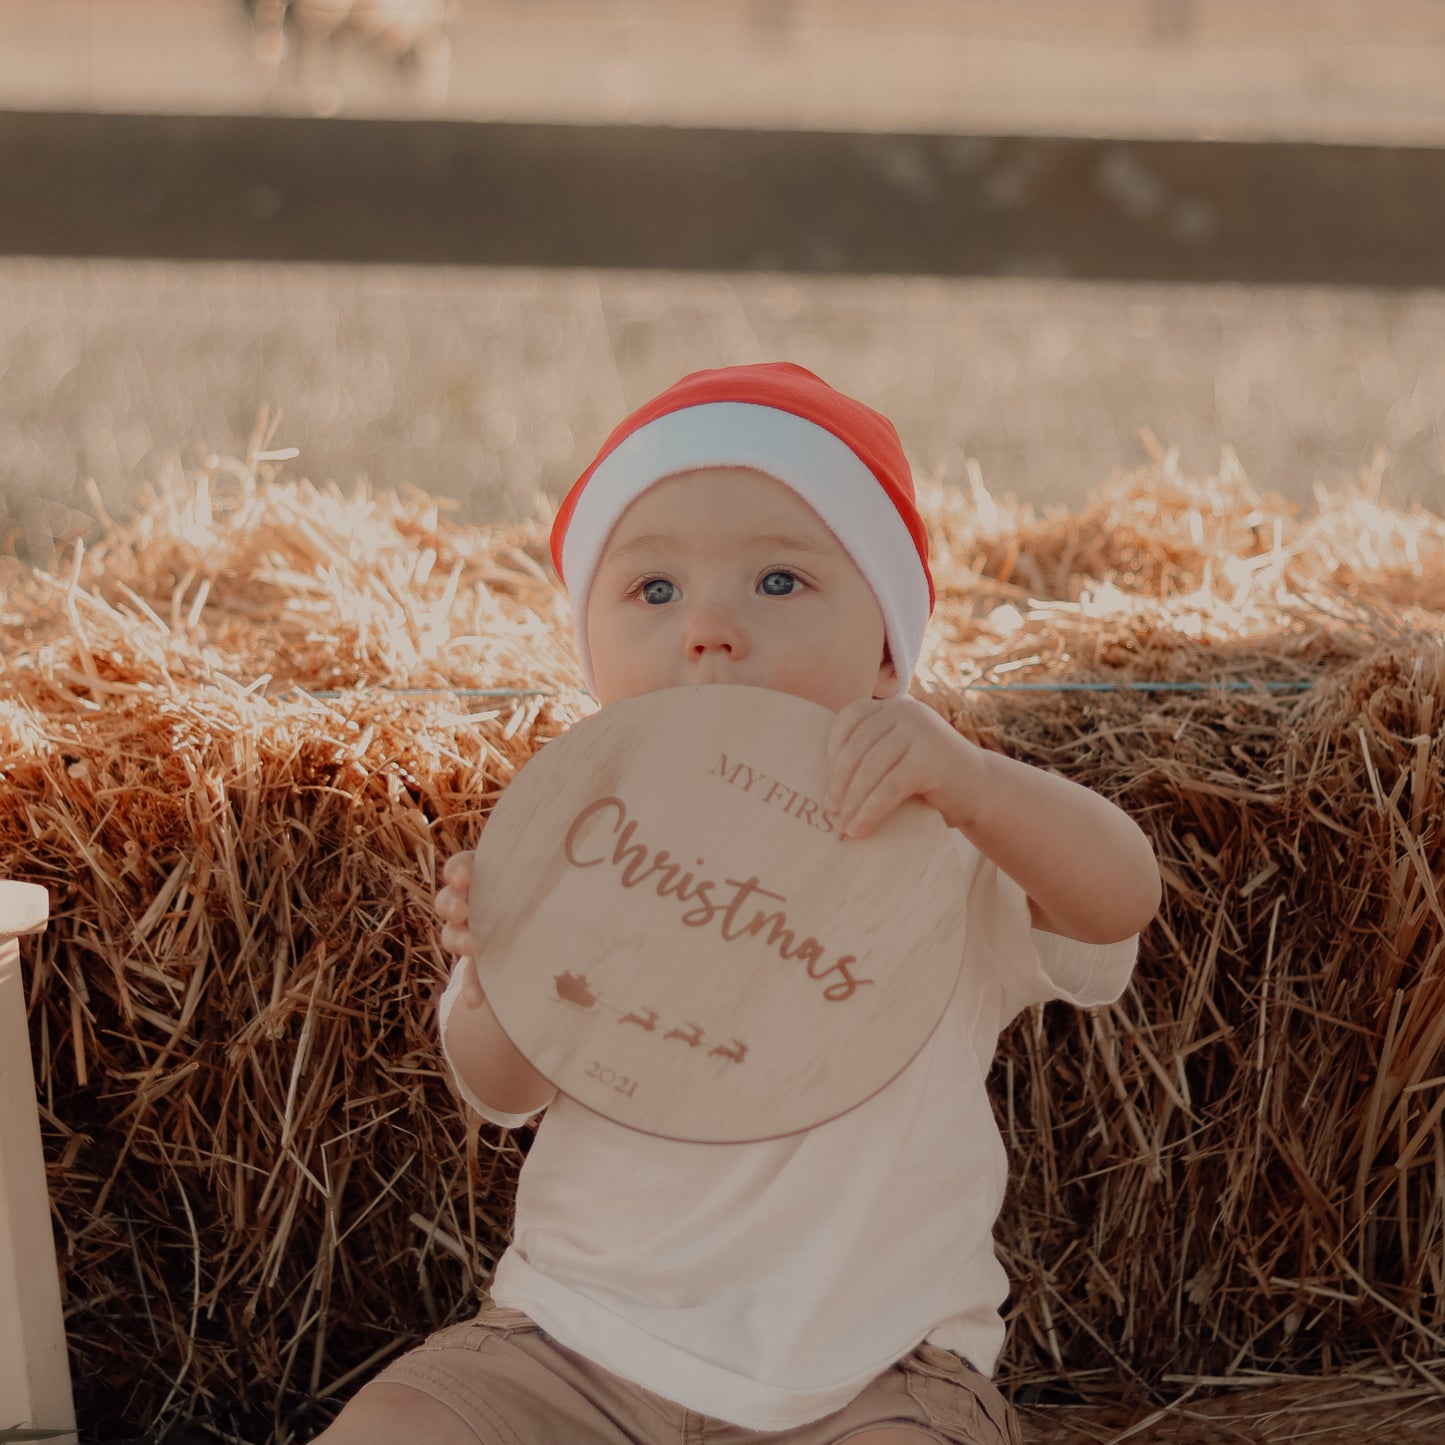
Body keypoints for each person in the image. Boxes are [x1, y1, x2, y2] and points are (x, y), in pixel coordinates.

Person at [316, 362, 1161, 1445]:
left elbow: (1117, 895)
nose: (709, 627)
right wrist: (499, 963)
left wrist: (977, 783)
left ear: (889, 647)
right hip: (570, 1348)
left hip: (872, 1376)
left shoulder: (936, 837)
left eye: (777, 582)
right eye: (653, 591)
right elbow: (498, 1084)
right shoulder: (580, 842)